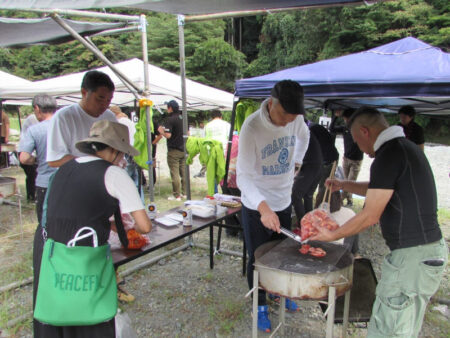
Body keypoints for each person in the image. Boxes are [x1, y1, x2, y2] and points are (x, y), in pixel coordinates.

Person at [310, 106, 447, 338]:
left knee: (388, 330)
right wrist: (344, 185)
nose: (360, 149)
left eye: (356, 140)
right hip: (426, 254)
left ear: (365, 132)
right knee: (403, 327)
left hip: (411, 260)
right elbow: (380, 189)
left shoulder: (388, 155)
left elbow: (370, 215)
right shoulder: (406, 148)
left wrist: (332, 235)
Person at [33, 120, 152, 338]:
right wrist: (130, 227)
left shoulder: (65, 168)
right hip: (85, 257)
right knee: (90, 318)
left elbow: (77, 214)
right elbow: (144, 226)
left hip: (51, 252)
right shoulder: (114, 174)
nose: (124, 160)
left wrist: (113, 225)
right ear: (114, 150)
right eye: (123, 154)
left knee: (59, 316)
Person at [237, 80, 310, 333]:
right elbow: (242, 176)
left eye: (292, 118)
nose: (287, 123)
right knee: (258, 258)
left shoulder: (296, 120)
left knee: (283, 254)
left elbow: (304, 135)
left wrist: (297, 162)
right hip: (256, 204)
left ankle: (279, 292)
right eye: (283, 116)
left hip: (283, 200)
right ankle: (259, 305)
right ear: (271, 103)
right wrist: (263, 208)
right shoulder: (252, 127)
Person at [47, 70, 117, 168]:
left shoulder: (110, 117)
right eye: (99, 99)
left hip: (104, 177)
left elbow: (116, 150)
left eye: (109, 100)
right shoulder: (64, 117)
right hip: (75, 179)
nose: (105, 105)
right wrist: (93, 163)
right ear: (84, 92)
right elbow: (54, 160)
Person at [18, 94, 57, 224]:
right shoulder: (66, 126)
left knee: (45, 223)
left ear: (37, 108)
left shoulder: (34, 130)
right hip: (67, 180)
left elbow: (24, 158)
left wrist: (37, 159)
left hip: (45, 182)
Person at [329, 108, 364, 206]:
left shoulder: (359, 128)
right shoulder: (345, 128)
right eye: (345, 119)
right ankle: (350, 200)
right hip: (346, 158)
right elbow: (332, 129)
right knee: (346, 180)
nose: (346, 121)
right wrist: (335, 117)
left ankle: (340, 200)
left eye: (347, 119)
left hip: (357, 160)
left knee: (350, 182)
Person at [291, 131, 323, 223]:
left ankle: (304, 224)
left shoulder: (299, 132)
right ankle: (310, 223)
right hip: (317, 165)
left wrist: (294, 172)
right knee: (307, 195)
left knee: (296, 195)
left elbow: (294, 159)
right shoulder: (305, 131)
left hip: (310, 166)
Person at [157, 100, 185, 201]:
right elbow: (188, 133)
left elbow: (168, 135)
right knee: (184, 172)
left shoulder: (170, 120)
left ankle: (176, 194)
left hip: (174, 150)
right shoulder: (183, 118)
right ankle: (185, 193)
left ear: (170, 108)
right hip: (184, 149)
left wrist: (161, 132)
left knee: (175, 173)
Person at [310, 122, 341, 211]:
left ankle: (320, 210)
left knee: (324, 186)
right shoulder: (315, 127)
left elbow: (313, 149)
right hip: (330, 157)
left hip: (328, 160)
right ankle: (320, 207)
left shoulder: (311, 130)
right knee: (324, 185)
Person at [205, 110, 231, 193]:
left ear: (212, 117)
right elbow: (230, 138)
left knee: (213, 174)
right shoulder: (227, 125)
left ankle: (215, 192)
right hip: (224, 151)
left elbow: (205, 141)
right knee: (224, 172)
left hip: (212, 152)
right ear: (221, 116)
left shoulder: (207, 126)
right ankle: (225, 191)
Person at [18, 113, 39, 201]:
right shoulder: (33, 118)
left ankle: (32, 196)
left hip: (28, 151)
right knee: (32, 175)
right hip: (27, 152)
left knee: (32, 175)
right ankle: (31, 196)